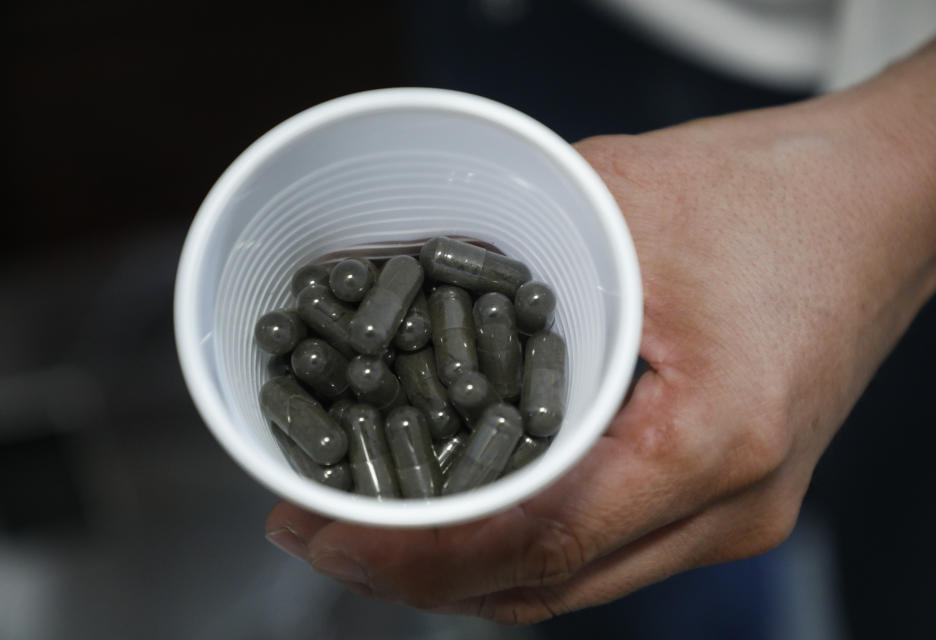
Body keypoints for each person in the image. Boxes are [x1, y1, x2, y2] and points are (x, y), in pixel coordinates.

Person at [263, 33, 936, 623]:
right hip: (536, 30)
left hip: (849, 71)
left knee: (887, 541)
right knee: (573, 566)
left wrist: (901, 160)